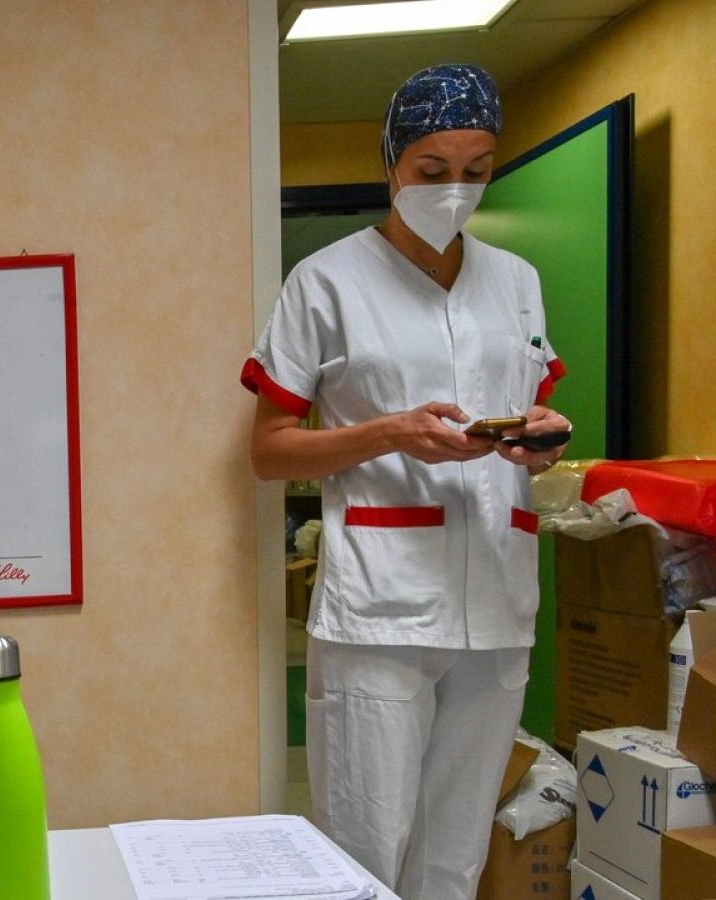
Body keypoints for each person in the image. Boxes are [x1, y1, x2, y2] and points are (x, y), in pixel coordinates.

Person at [241, 65, 570, 898]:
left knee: (456, 856)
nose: (455, 190)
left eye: (477, 170)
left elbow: (534, 423)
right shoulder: (325, 281)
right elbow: (271, 450)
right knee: (364, 851)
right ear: (392, 162)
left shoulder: (518, 281)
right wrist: (391, 431)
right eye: (432, 171)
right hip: (379, 612)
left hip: (496, 599)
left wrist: (542, 444)